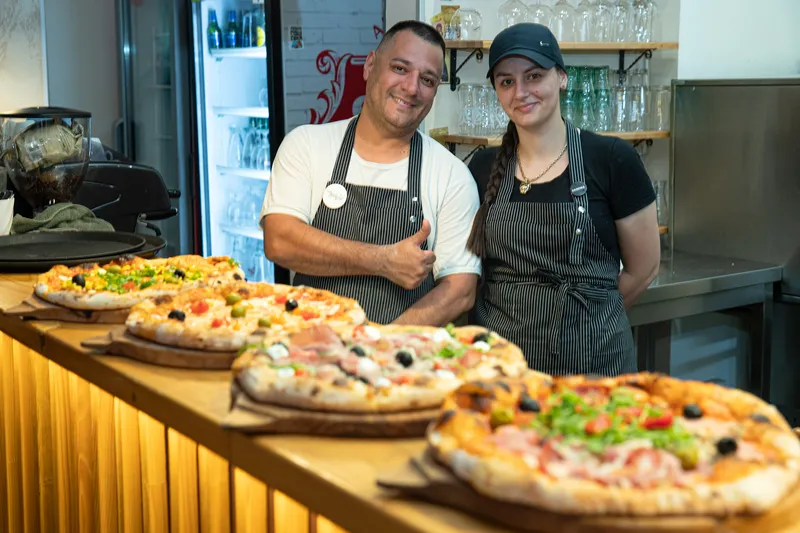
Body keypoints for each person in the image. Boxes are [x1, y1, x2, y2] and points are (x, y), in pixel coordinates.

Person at [467, 23, 660, 376]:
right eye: (506, 81)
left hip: (594, 360)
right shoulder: (482, 165)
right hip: (501, 364)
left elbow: (644, 268)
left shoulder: (612, 158)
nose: (521, 91)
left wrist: (591, 318)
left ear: (561, 78)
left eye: (534, 76)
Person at [260, 20, 481, 326]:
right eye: (400, 68)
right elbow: (280, 241)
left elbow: (460, 291)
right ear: (370, 66)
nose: (411, 87)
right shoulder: (307, 145)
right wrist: (383, 261)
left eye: (428, 80)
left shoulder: (452, 176)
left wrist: (381, 345)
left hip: (399, 362)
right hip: (307, 350)